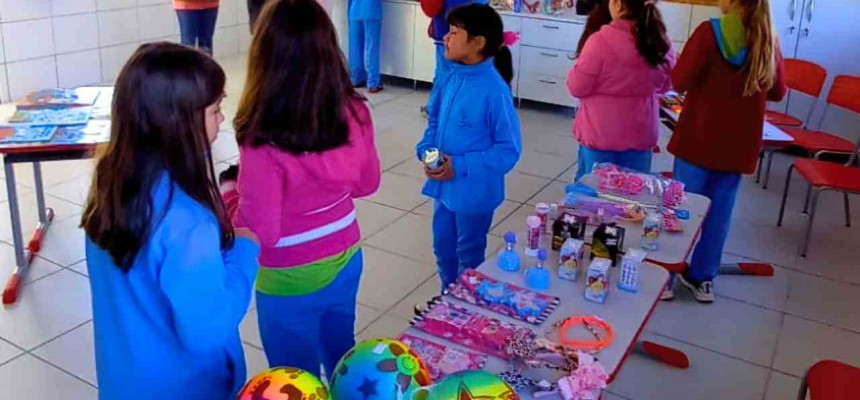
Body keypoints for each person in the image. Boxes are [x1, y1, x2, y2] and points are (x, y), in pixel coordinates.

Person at [82, 42, 260, 399]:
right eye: (215, 109)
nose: (222, 119)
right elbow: (208, 329)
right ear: (180, 122)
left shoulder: (109, 185)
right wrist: (244, 251)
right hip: (188, 387)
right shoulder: (188, 222)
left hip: (124, 383)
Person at [233, 0, 381, 377]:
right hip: (347, 254)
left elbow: (262, 230)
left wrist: (231, 198)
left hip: (288, 275)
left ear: (264, 56)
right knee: (342, 358)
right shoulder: (355, 111)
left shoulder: (261, 134)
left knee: (294, 379)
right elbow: (368, 183)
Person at [667, 0, 786, 303]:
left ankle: (666, 276)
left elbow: (678, 81)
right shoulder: (767, 37)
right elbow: (777, 91)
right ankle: (703, 278)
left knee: (682, 210)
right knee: (719, 215)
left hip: (698, 140)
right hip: (737, 147)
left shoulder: (709, 32)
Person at [416, 3, 521, 290]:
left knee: (468, 255)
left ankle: (464, 305)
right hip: (443, 188)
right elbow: (434, 120)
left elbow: (508, 150)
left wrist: (460, 166)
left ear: (478, 43)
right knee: (443, 248)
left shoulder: (494, 90)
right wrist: (427, 151)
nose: (446, 37)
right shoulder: (450, 76)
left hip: (475, 192)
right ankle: (446, 300)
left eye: (454, 32)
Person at [567, 0, 674, 181]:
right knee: (634, 192)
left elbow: (577, 87)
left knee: (591, 192)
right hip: (641, 134)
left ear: (617, 4)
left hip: (601, 133)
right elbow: (665, 85)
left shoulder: (599, 41)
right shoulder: (660, 41)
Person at [419, 0, 489, 114]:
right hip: (465, 36)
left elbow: (433, 8)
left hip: (448, 34)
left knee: (445, 74)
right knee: (448, 74)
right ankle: (435, 108)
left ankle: (438, 109)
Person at [348, 0, 384, 92]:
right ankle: (373, 83)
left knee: (355, 47)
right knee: (372, 47)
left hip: (354, 9)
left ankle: (356, 78)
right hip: (372, 9)